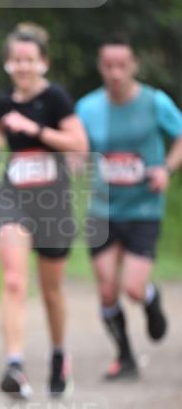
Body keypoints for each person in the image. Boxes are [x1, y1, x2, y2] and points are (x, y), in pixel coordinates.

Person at [0, 23, 88, 399]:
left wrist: (35, 128)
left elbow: (79, 144)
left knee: (51, 291)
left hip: (53, 201)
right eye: (16, 61)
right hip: (14, 197)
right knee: (14, 280)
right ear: (8, 64)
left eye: (30, 60)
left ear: (43, 63)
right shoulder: (4, 99)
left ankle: (60, 356)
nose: (23, 67)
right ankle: (14, 366)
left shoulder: (56, 98)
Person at [76, 34, 182, 380]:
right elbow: (75, 148)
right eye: (108, 66)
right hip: (102, 209)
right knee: (107, 290)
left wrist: (165, 169)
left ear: (134, 65)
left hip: (142, 208)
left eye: (122, 65)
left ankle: (150, 299)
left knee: (132, 288)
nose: (115, 72)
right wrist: (74, 163)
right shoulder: (88, 107)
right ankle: (125, 357)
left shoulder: (154, 102)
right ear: (100, 67)